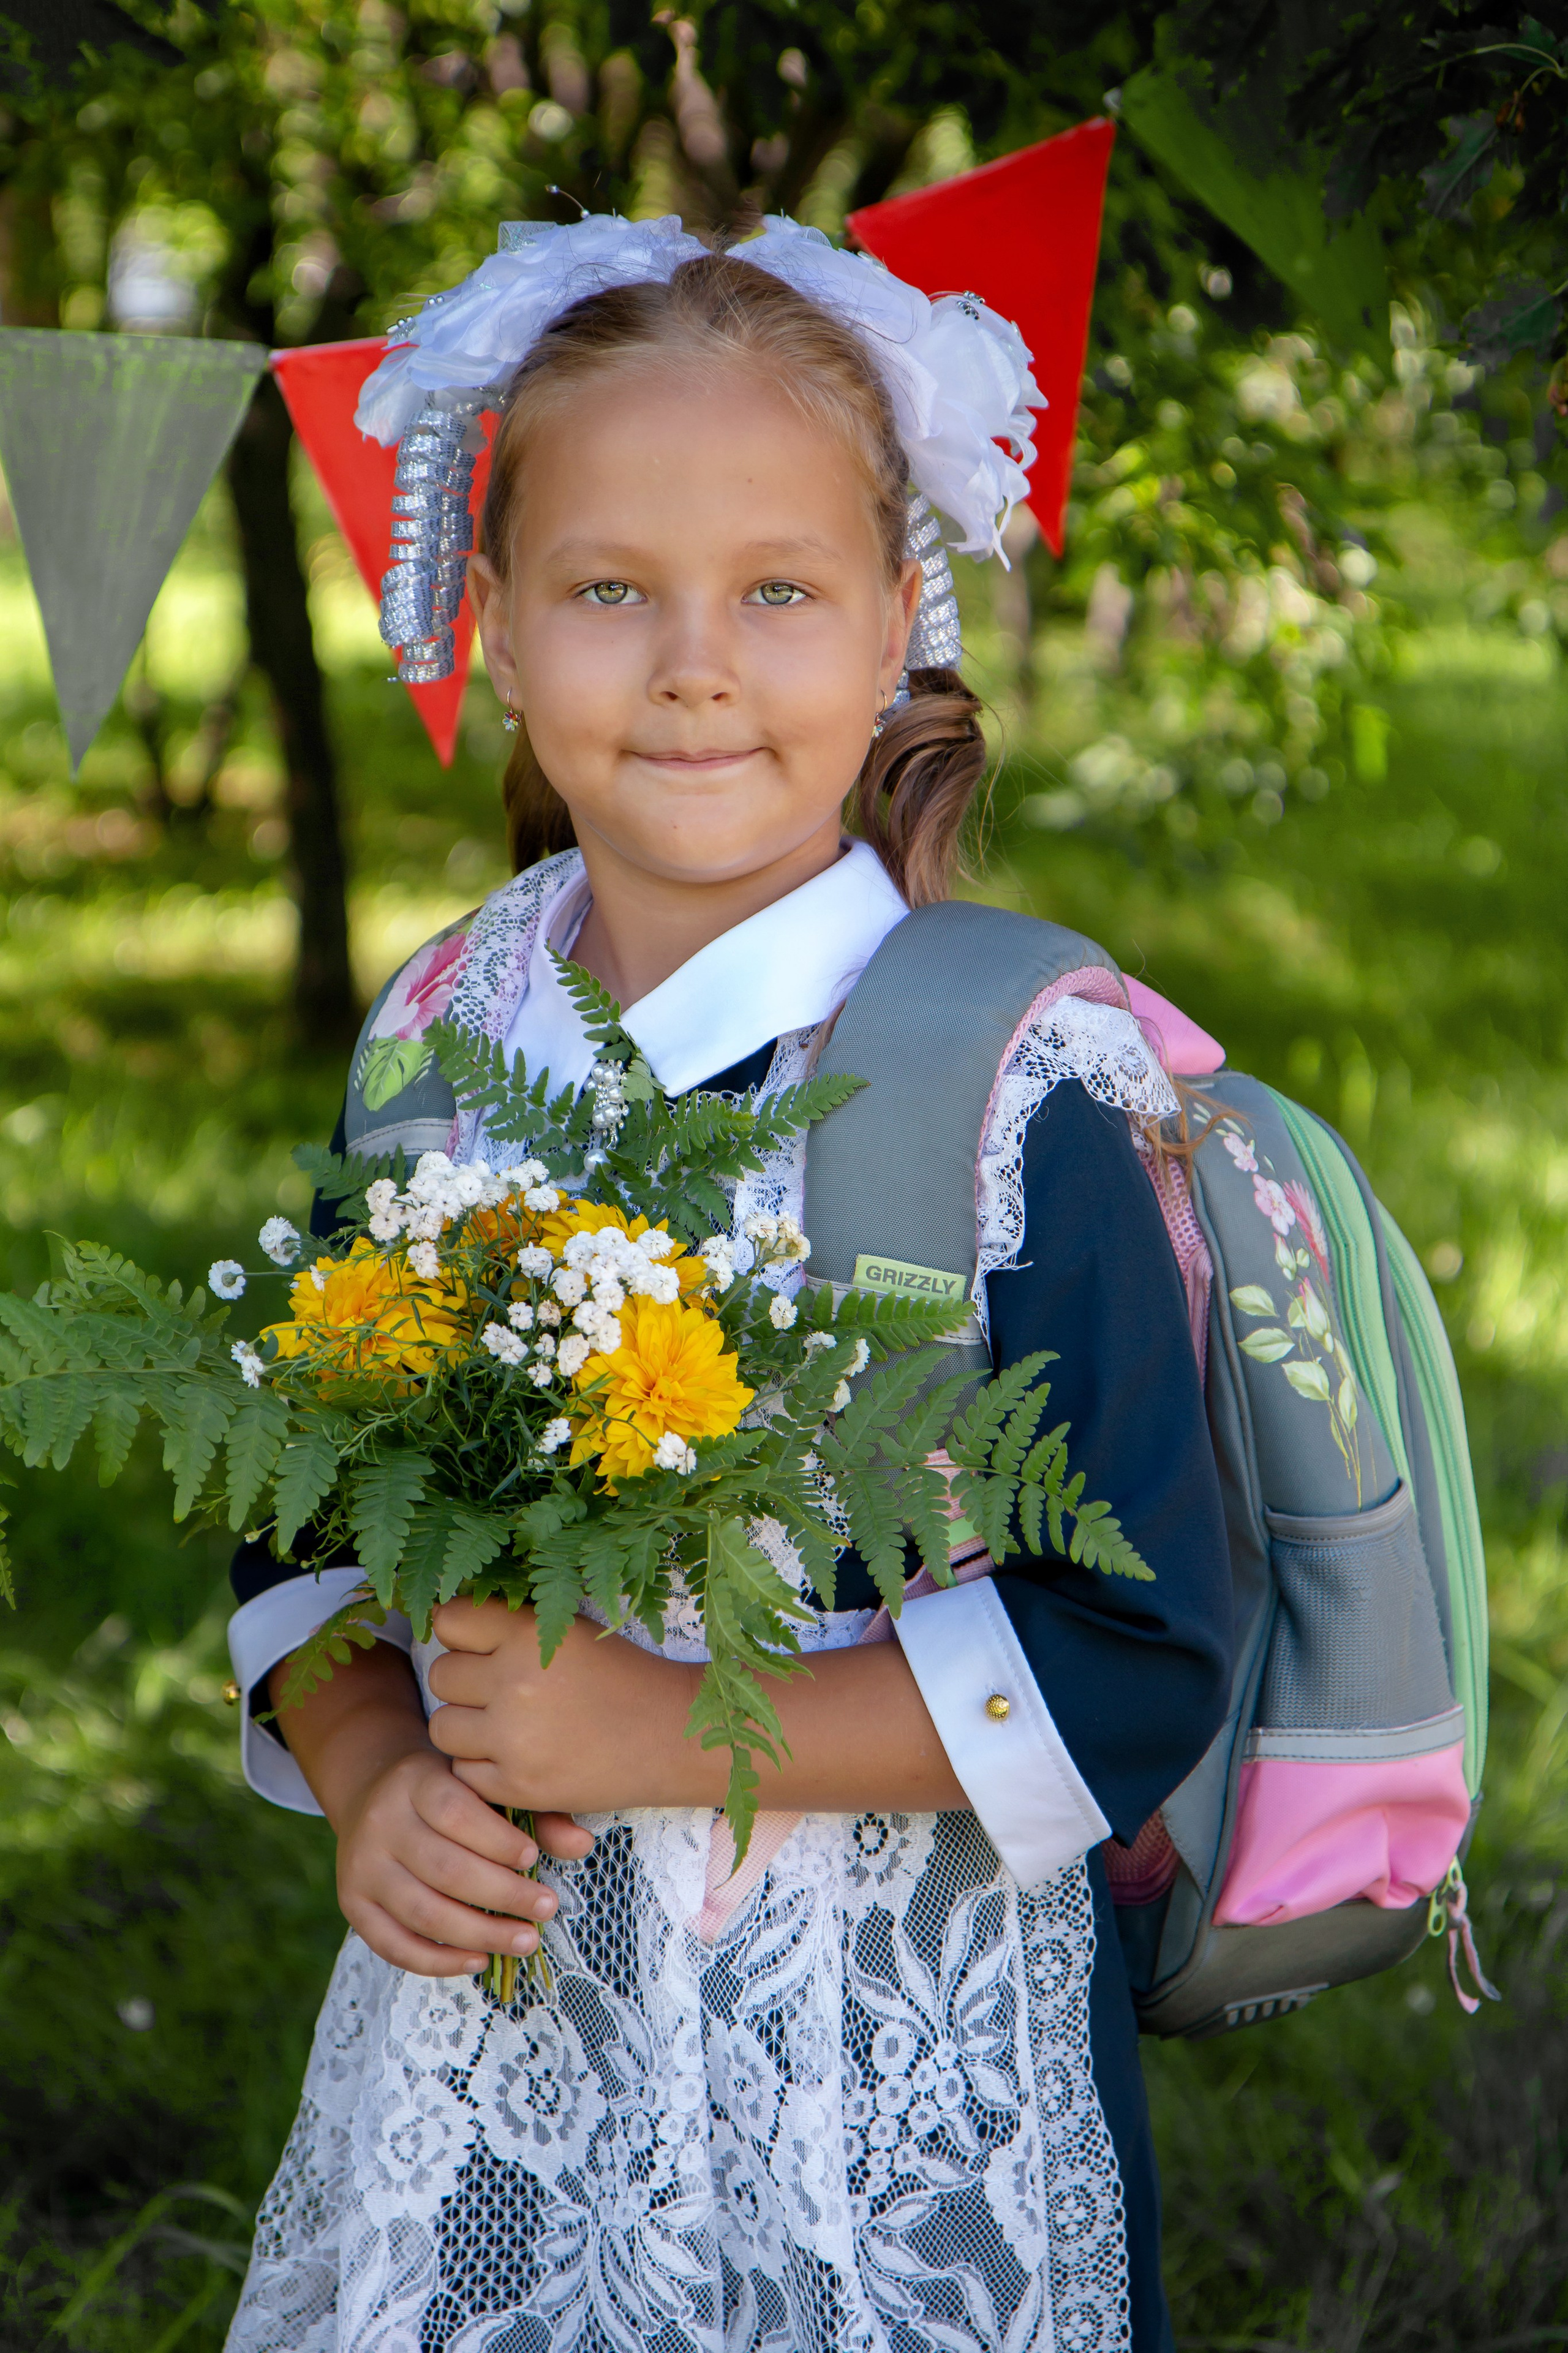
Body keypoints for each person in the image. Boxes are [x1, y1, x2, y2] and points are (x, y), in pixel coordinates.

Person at [224, 216, 1232, 2353]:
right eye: (611, 590)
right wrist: (371, 1768)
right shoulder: (436, 1037)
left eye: (778, 590)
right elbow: (297, 1512)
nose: (695, 662)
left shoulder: (1012, 1079)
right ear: (495, 628)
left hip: (892, 2098)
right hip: (498, 2077)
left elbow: (1138, 1650)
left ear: (894, 636)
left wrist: (677, 1730)